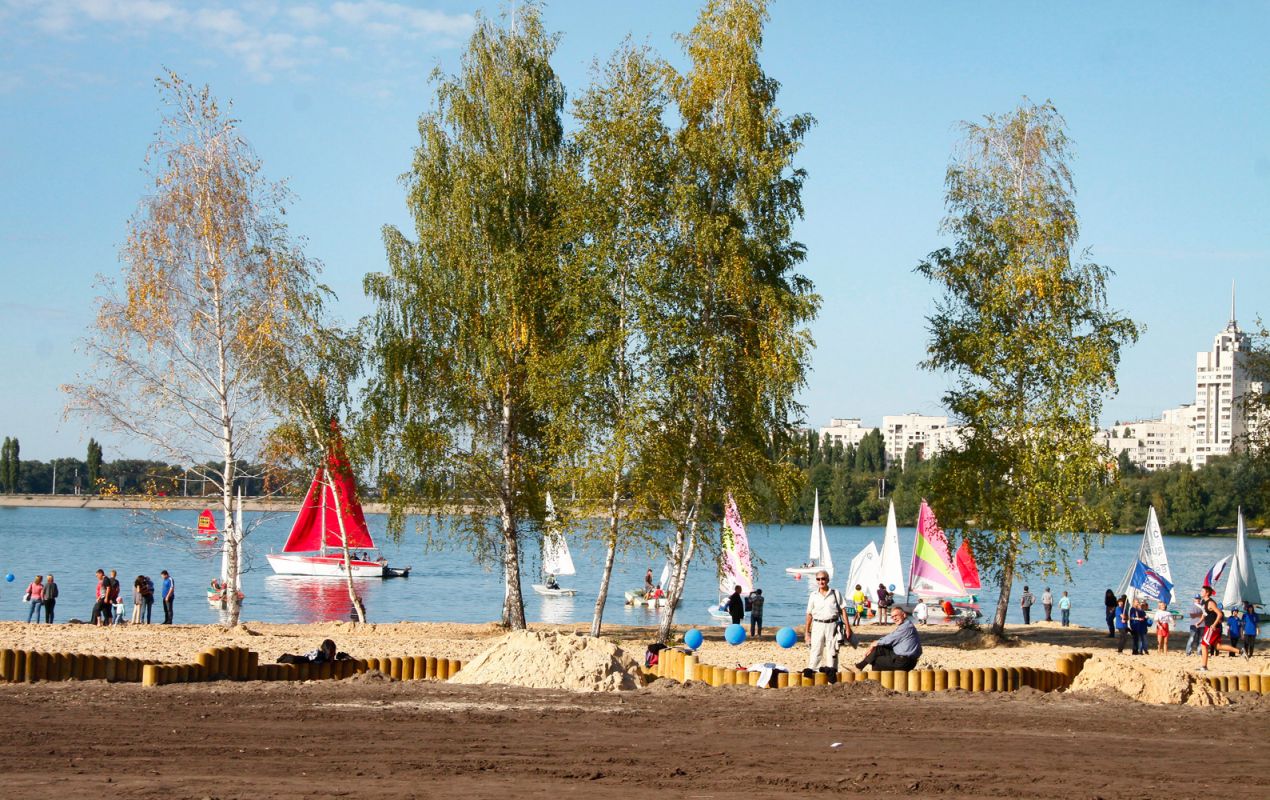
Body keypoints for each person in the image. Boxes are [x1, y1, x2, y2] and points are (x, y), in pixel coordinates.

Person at [804, 571, 852, 680]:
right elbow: (809, 614)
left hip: (832, 624)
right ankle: (813, 672)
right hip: (817, 625)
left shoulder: (836, 593)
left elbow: (843, 611)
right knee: (816, 649)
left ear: (828, 580)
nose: (821, 581)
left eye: (823, 578)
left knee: (832, 649)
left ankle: (832, 673)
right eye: (818, 579)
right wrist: (807, 632)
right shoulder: (813, 595)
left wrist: (848, 628)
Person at [855, 606, 922, 672]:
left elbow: (890, 639)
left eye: (896, 615)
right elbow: (890, 637)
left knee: (876, 660)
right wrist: (876, 643)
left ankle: (876, 678)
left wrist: (874, 643)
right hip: (904, 658)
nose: (894, 618)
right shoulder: (906, 625)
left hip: (906, 662)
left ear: (904, 615)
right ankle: (859, 667)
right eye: (892, 617)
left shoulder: (906, 627)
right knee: (879, 648)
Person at [1197, 585, 1239, 671]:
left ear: (1207, 593)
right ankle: (1240, 651)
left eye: (1202, 591)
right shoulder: (1203, 601)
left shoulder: (1211, 603)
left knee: (1204, 645)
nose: (1201, 592)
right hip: (1208, 627)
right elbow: (1204, 613)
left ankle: (1204, 666)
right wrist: (1200, 622)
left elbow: (1219, 614)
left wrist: (1214, 625)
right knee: (1218, 646)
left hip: (1212, 628)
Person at [276, 639, 350, 665]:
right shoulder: (320, 657)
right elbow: (308, 659)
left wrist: (344, 656)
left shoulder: (330, 657)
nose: (333, 656)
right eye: (332, 654)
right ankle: (284, 657)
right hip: (311, 658)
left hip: (319, 655)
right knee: (295, 660)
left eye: (334, 654)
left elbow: (347, 658)